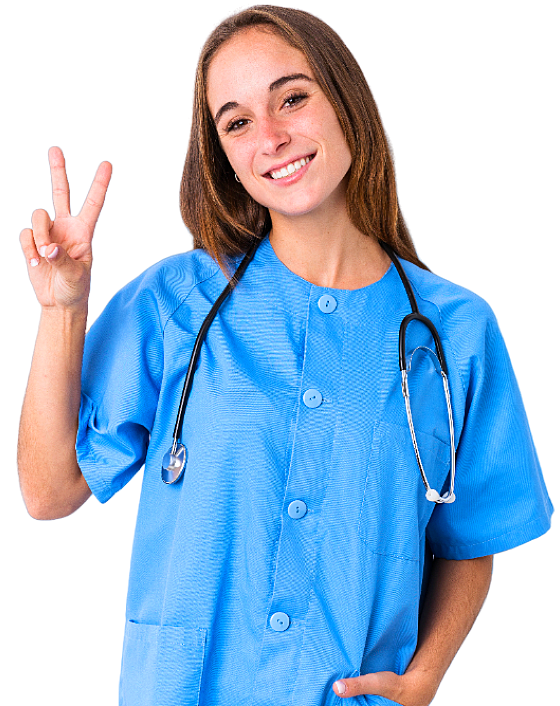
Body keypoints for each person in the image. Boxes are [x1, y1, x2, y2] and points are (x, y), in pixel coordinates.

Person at [17, 5, 553, 705]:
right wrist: (62, 309)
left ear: (346, 104)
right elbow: (51, 492)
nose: (269, 137)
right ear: (226, 160)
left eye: (292, 98)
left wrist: (425, 676)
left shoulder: (456, 333)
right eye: (237, 122)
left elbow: (473, 535)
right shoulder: (177, 300)